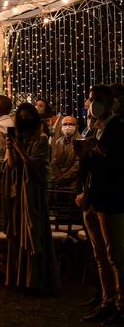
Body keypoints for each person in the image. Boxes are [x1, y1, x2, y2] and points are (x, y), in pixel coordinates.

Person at [76, 85, 124, 323]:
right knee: (100, 256)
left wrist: (96, 148)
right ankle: (107, 300)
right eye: (91, 99)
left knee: (114, 255)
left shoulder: (118, 128)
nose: (93, 104)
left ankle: (120, 304)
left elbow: (117, 162)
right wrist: (81, 189)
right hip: (92, 199)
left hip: (110, 199)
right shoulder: (93, 129)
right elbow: (86, 167)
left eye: (98, 99)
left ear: (110, 101)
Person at [3, 102, 58, 294]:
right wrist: (10, 148)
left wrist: (19, 149)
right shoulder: (18, 138)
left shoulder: (41, 139)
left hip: (33, 194)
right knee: (17, 234)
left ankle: (35, 280)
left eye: (28, 117)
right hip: (17, 193)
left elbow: (35, 165)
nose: (25, 121)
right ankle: (18, 279)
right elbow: (11, 165)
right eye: (21, 118)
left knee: (33, 233)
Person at [50, 116, 81, 190]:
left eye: (71, 124)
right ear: (61, 127)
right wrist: (58, 177)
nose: (67, 126)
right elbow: (54, 162)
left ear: (76, 127)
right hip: (58, 181)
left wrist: (62, 178)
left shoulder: (81, 141)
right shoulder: (58, 142)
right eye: (65, 124)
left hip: (74, 183)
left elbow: (77, 165)